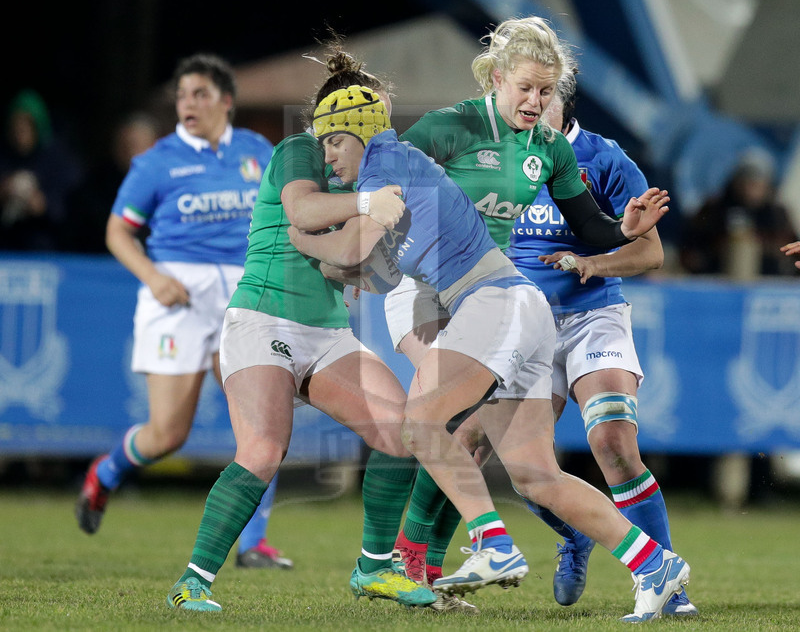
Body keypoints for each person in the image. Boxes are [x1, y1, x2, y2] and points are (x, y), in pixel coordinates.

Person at [292, 81, 690, 623]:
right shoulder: (414, 159)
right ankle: (655, 565)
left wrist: (298, 237)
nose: (327, 157)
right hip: (522, 306)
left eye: (334, 143)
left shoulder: (386, 164)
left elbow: (346, 245)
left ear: (360, 134)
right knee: (533, 474)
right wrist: (344, 261)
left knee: (423, 423)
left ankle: (485, 544)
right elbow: (370, 265)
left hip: (494, 302)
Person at [164, 52, 436, 612]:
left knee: (403, 431)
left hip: (326, 334)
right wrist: (369, 207)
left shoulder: (362, 177)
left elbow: (351, 261)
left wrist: (374, 258)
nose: (382, 134)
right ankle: (192, 582)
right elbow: (303, 211)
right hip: (263, 319)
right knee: (264, 450)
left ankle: (374, 569)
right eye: (375, 121)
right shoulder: (300, 150)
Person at [74, 53, 292, 570]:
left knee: (263, 422)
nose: (188, 104)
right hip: (178, 295)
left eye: (200, 94)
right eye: (181, 96)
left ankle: (254, 544)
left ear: (226, 101)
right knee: (168, 434)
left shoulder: (256, 151)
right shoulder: (157, 161)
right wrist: (154, 278)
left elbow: (287, 212)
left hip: (242, 292)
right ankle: (106, 473)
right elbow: (118, 232)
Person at [505, 83, 697, 615]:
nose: (531, 105)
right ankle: (575, 533)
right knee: (522, 464)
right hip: (523, 323)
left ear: (565, 102)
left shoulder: (606, 159)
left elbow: (650, 252)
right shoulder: (500, 157)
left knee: (613, 443)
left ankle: (667, 583)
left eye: (544, 94)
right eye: (523, 91)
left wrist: (594, 263)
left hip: (594, 318)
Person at [681, 148, 798, 278]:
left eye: (756, 184)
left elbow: (791, 249)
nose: (750, 190)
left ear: (767, 186)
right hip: (718, 277)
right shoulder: (715, 210)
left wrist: (761, 244)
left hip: (769, 280)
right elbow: (691, 248)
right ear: (736, 183)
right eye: (747, 182)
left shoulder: (777, 214)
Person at [63, 112, 161, 253]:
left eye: (133, 145)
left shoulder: (170, 182)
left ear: (153, 146)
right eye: (122, 145)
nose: (127, 152)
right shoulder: (97, 186)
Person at [0, 89, 83, 250]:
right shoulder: (3, 156)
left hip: (45, 247)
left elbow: (74, 207)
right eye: (15, 126)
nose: (20, 132)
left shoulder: (58, 161)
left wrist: (44, 205)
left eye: (26, 125)